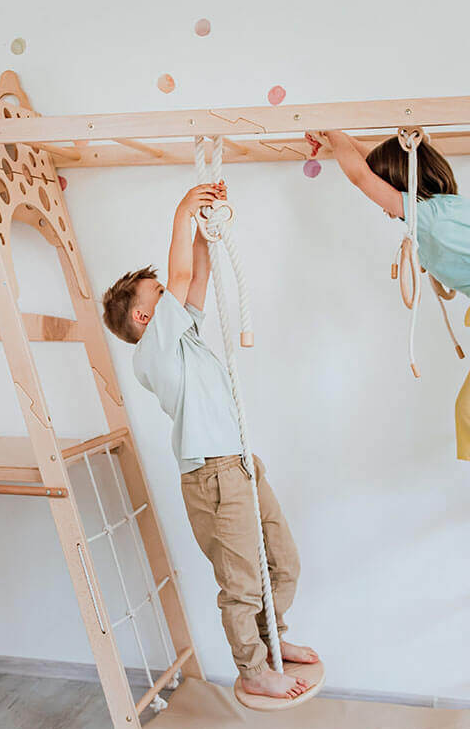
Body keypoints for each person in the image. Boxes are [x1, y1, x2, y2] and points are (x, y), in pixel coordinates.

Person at [101, 182, 318, 699]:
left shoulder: (184, 338)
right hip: (212, 474)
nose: (175, 294)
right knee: (242, 580)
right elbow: (179, 275)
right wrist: (181, 208)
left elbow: (196, 274)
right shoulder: (152, 353)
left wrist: (205, 226)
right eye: (160, 296)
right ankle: (254, 669)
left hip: (242, 464)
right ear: (143, 317)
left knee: (282, 560)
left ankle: (273, 641)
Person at [308, 130, 470, 513]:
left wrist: (333, 136)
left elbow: (361, 177)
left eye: (386, 198)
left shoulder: (426, 214)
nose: (386, 210)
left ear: (399, 185)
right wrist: (345, 143)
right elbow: (381, 168)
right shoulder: (451, 206)